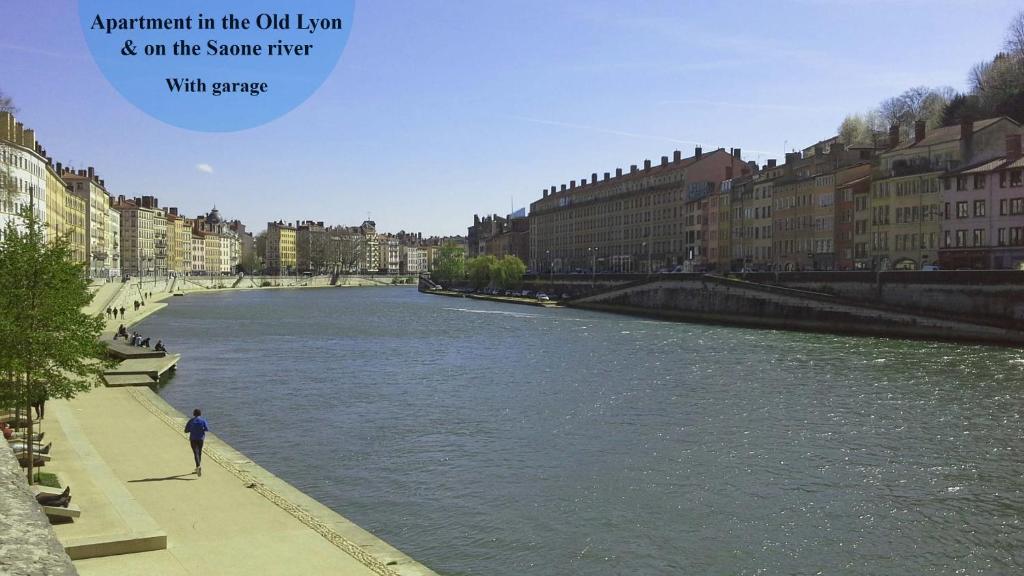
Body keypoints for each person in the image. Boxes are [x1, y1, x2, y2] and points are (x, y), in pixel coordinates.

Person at [184, 409, 209, 476]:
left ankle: (198, 466)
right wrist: (201, 430)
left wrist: (191, 430)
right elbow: (206, 429)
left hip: (193, 439)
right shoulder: (203, 420)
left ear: (193, 414)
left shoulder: (191, 421)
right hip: (201, 438)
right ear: (200, 414)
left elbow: (186, 430)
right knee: (199, 452)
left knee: (195, 453)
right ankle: (198, 467)